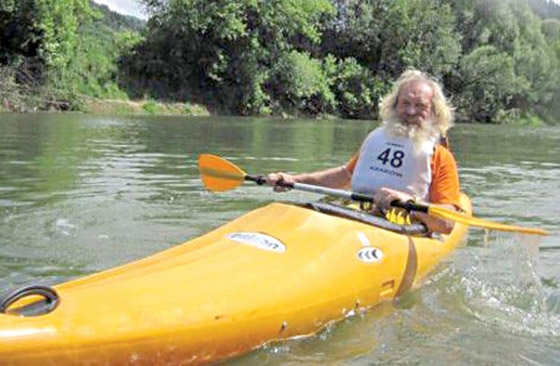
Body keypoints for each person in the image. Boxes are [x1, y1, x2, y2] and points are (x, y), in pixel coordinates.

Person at [267, 69, 460, 234]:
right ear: (394, 106)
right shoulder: (376, 139)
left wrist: (409, 201)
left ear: (434, 112)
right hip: (353, 212)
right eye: (405, 104)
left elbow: (447, 223)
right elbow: (345, 175)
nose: (410, 112)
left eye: (420, 106)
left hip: (401, 223)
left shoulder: (441, 156)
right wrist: (294, 180)